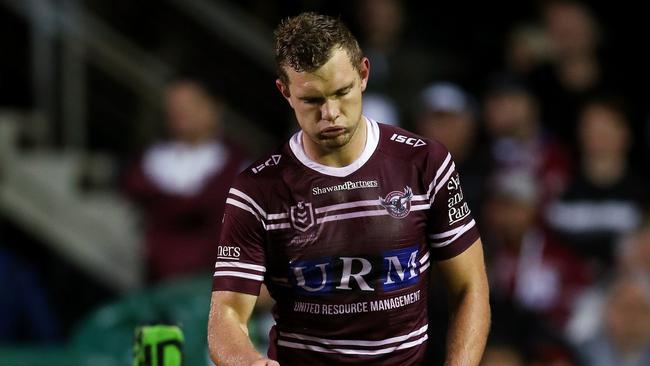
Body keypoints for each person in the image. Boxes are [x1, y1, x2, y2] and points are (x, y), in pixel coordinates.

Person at [207, 12, 490, 365]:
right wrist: (249, 362)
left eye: (342, 92)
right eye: (312, 100)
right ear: (285, 92)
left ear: (364, 74)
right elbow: (227, 314)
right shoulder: (257, 191)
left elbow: (470, 287)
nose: (331, 113)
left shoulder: (424, 163)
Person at [122, 79, 248, 282]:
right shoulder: (150, 162)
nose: (181, 114)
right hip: (152, 278)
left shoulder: (237, 166)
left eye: (190, 106)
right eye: (174, 108)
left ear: (214, 108)